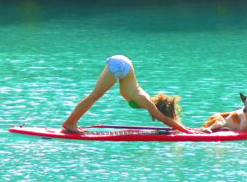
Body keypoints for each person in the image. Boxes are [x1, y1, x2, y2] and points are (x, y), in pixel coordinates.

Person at [62, 55, 198, 134]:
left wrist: (185, 127)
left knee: (95, 96)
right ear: (160, 110)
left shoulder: (146, 99)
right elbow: (165, 119)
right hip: (121, 66)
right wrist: (188, 131)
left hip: (122, 65)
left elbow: (166, 119)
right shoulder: (146, 101)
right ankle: (70, 123)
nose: (156, 116)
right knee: (94, 96)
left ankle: (72, 122)